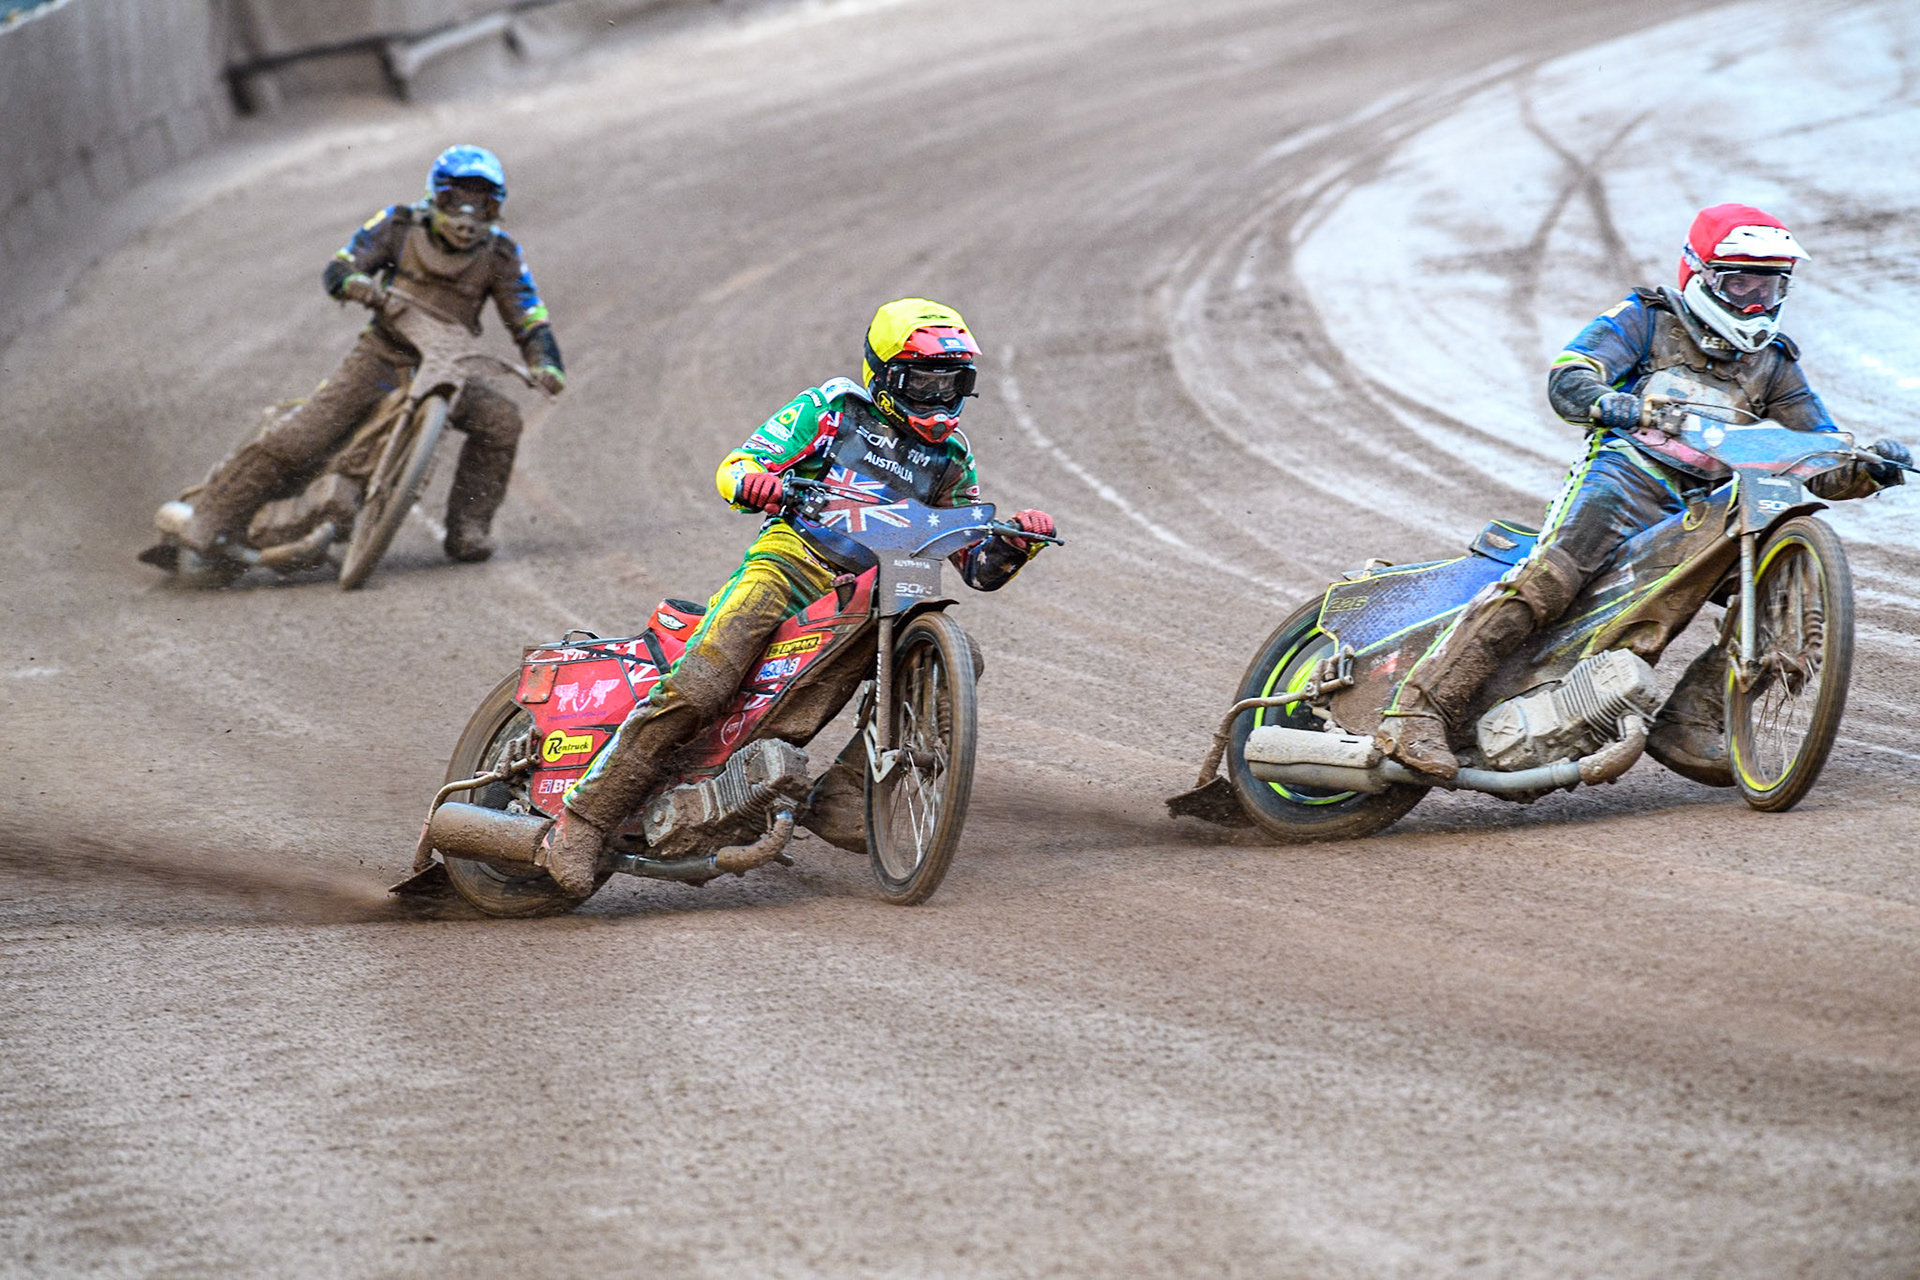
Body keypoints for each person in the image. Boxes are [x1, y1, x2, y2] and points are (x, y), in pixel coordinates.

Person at [1376, 203, 1910, 785]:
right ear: (1700, 275)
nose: (1755, 301)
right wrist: (1614, 402)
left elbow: (1814, 455)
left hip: (1702, 506)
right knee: (1549, 581)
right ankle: (1417, 712)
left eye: (1769, 285)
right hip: (1622, 478)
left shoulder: (1774, 363)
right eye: (1740, 283)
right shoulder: (1646, 319)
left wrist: (1868, 467)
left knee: (1789, 585)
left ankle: (1692, 718)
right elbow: (1569, 375)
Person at [537, 298, 1056, 895]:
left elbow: (976, 565)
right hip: (789, 562)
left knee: (960, 655)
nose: (940, 397)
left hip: (878, 589)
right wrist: (756, 482)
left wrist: (1020, 541)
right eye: (925, 380)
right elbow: (737, 466)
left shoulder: (952, 456)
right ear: (886, 375)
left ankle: (841, 797)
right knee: (704, 681)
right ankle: (585, 819)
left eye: (953, 382)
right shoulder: (831, 410)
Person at [152, 145, 564, 567]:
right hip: (382, 358)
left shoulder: (501, 255)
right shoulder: (397, 226)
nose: (467, 216)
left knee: (501, 421)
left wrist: (546, 362)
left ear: (496, 211)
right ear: (435, 197)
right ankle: (209, 518)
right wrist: (356, 284)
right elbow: (342, 266)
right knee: (302, 437)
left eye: (482, 205)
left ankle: (469, 528)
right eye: (456, 200)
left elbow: (529, 315)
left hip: (448, 366)